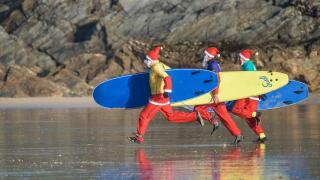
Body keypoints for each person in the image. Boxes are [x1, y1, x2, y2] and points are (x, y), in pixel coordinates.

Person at [129, 46, 204, 143]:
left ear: (152, 60)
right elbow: (171, 71)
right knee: (170, 116)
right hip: (161, 97)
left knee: (144, 115)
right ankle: (194, 116)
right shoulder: (159, 65)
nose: (146, 61)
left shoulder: (156, 67)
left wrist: (167, 90)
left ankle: (139, 136)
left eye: (148, 59)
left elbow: (167, 77)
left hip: (158, 97)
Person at [194, 47, 243, 145]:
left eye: (205, 55)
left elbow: (216, 79)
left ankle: (214, 121)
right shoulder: (211, 64)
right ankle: (238, 135)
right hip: (214, 95)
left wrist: (216, 94)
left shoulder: (213, 64)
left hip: (213, 95)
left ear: (209, 56)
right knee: (224, 116)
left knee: (198, 109)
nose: (204, 56)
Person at [230, 49, 267, 143]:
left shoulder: (248, 65)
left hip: (250, 94)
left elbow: (251, 79)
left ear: (243, 58)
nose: (239, 59)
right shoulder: (248, 65)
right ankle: (262, 136)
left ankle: (256, 114)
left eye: (240, 57)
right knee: (249, 118)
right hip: (252, 93)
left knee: (235, 109)